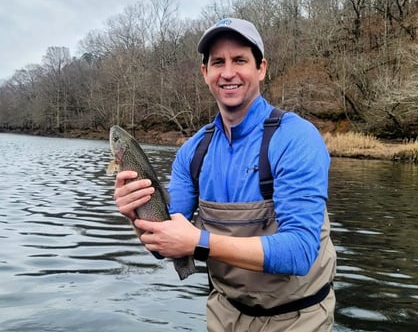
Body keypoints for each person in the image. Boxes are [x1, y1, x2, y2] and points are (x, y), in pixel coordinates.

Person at [113, 17, 336, 332]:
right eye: (218, 62)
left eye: (240, 60)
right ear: (205, 73)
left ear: (261, 68)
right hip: (224, 315)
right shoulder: (192, 153)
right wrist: (137, 215)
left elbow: (299, 252)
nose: (228, 72)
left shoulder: (297, 138)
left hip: (297, 319)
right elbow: (168, 242)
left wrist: (199, 243)